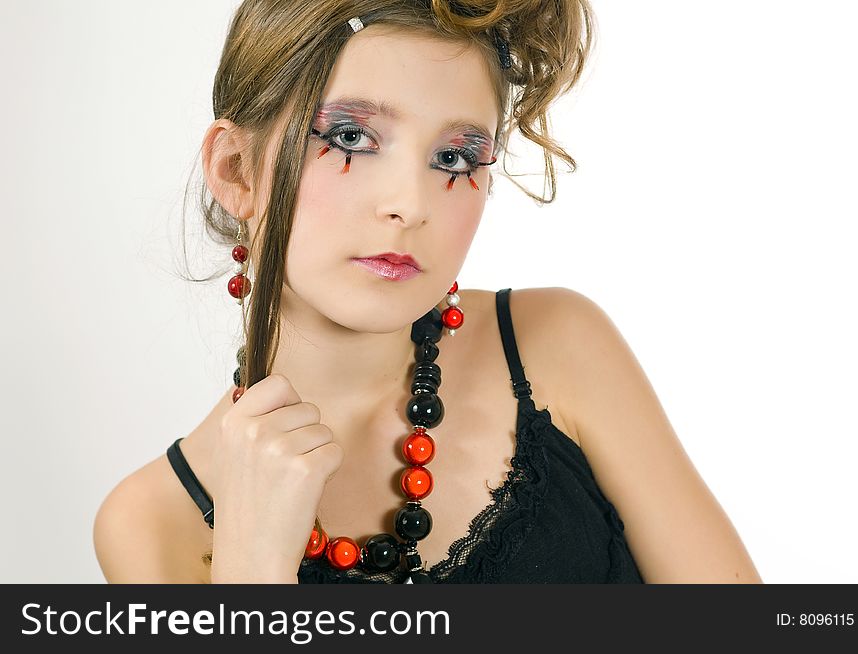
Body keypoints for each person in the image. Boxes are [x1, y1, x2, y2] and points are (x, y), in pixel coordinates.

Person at [93, 0, 763, 584]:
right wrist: (252, 574)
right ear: (236, 169)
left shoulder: (558, 345)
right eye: (353, 137)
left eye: (454, 158)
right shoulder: (152, 523)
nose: (409, 205)